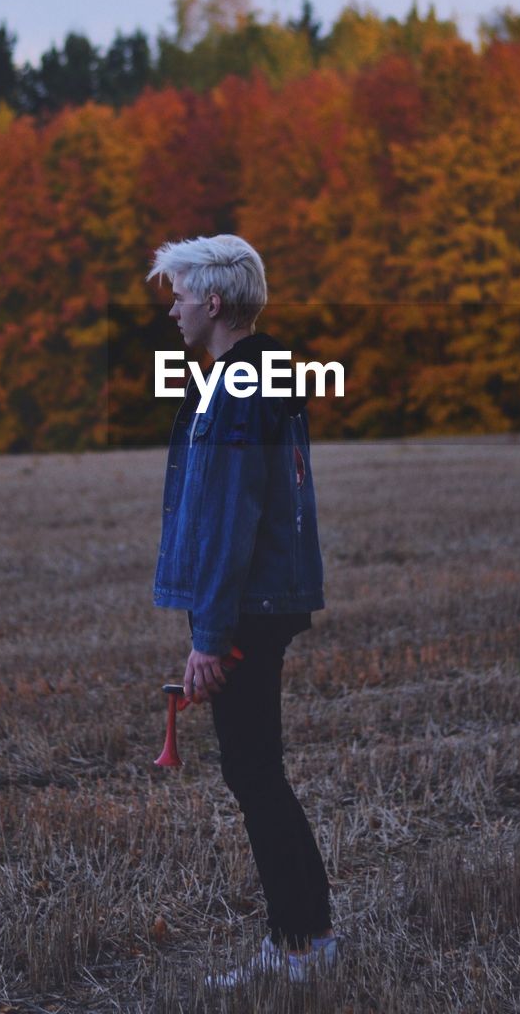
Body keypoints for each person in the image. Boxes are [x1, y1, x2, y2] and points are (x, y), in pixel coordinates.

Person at [146, 233, 340, 986]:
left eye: (182, 294)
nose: (174, 310)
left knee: (254, 774)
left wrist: (210, 634)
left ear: (214, 301)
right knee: (260, 772)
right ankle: (306, 938)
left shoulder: (236, 386)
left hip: (247, 608)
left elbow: (230, 517)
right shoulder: (262, 374)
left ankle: (301, 944)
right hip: (264, 602)